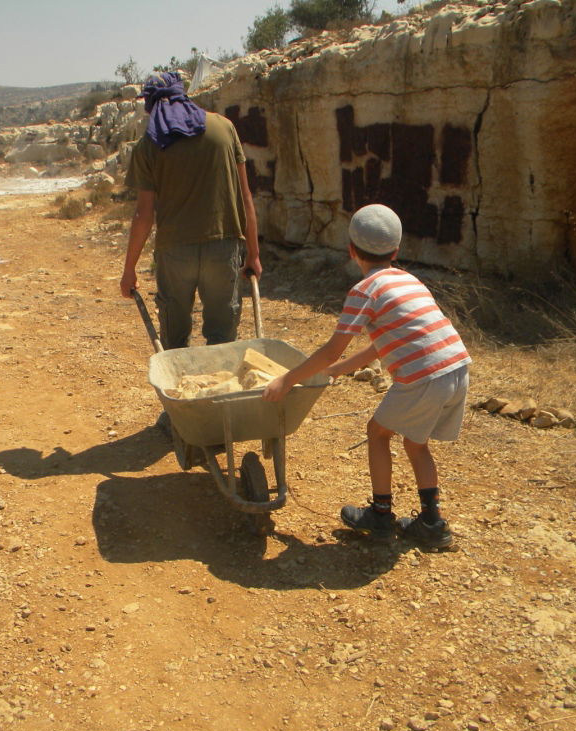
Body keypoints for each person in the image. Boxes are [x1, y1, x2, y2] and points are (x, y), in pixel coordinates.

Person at [262, 204, 471, 549]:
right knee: (415, 443)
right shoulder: (407, 280)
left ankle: (380, 515)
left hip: (424, 376)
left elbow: (332, 349)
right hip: (457, 366)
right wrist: (339, 370)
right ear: (396, 251)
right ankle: (432, 523)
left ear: (351, 250)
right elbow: (384, 343)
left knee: (377, 433)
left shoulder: (365, 291)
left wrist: (287, 380)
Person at [120, 71, 261, 349]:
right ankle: (219, 392)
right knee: (223, 342)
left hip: (174, 254)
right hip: (223, 247)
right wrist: (253, 254)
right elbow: (245, 196)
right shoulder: (223, 128)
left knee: (174, 344)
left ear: (150, 103)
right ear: (183, 93)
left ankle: (184, 389)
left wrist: (129, 269)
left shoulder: (149, 145)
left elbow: (143, 216)